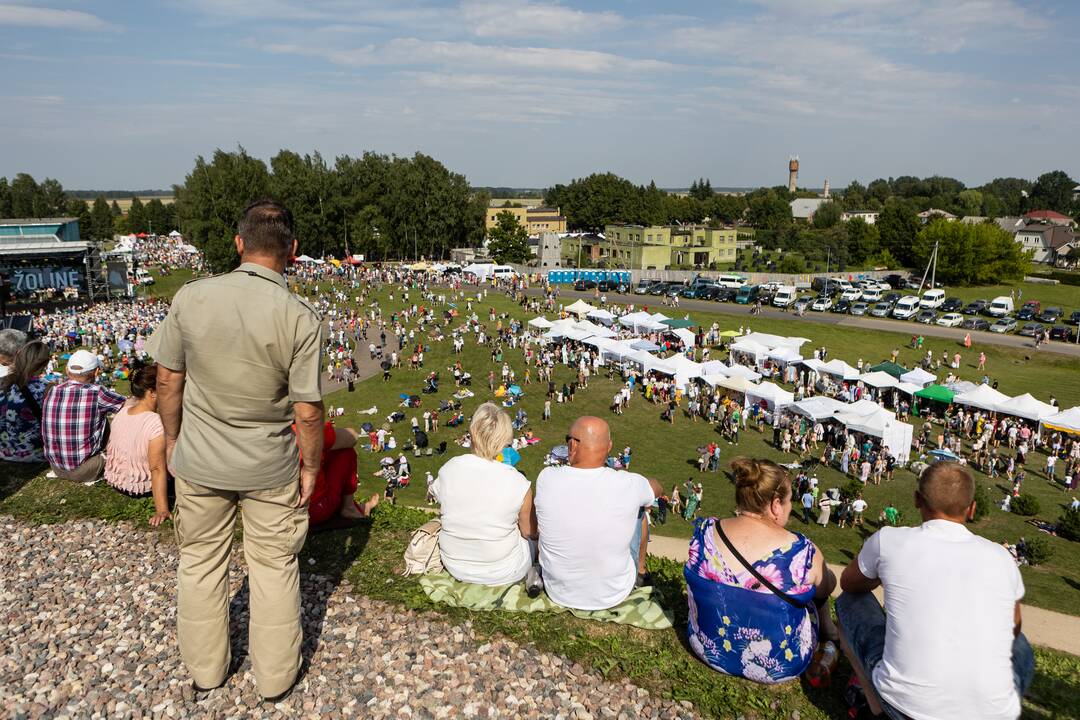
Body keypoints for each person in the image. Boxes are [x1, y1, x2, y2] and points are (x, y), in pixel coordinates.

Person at [147, 200, 324, 701]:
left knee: (200, 561)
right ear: (292, 250)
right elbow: (307, 411)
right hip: (268, 463)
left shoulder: (193, 297)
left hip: (202, 456)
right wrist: (311, 466)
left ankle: (207, 671)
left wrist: (177, 439)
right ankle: (274, 680)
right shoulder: (299, 316)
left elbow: (167, 377)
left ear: (239, 243)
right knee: (272, 567)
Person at [836, 462, 1033, 719]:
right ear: (972, 508)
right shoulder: (1000, 556)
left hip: (905, 707)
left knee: (850, 601)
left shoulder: (890, 540)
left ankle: (876, 708)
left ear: (917, 500)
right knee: (1021, 645)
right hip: (993, 714)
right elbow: (1013, 627)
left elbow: (849, 584)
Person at [684, 457, 839, 684]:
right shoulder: (801, 552)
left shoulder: (705, 531)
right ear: (776, 504)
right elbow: (827, 587)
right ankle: (830, 633)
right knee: (814, 595)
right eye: (788, 502)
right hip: (781, 665)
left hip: (705, 646)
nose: (789, 507)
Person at [534, 416, 662, 611]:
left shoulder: (547, 478)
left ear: (572, 445)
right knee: (640, 511)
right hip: (613, 593)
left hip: (558, 590)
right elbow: (657, 488)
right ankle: (641, 572)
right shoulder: (629, 484)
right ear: (609, 446)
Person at [432, 402, 537, 586]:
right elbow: (529, 531)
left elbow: (436, 494)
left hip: (454, 563)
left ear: (472, 433)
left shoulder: (450, 468)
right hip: (503, 569)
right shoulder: (517, 481)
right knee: (534, 543)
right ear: (505, 440)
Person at [41, 349, 126, 484]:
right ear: (97, 372)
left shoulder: (52, 391)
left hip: (56, 467)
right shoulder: (97, 393)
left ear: (68, 371)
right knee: (108, 418)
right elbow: (125, 405)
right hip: (86, 470)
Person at [103, 365, 171, 526]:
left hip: (118, 482)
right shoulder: (156, 423)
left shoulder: (123, 412)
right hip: (141, 486)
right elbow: (156, 469)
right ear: (152, 392)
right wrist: (162, 509)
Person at [299, 421, 379, 528]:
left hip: (276, 513)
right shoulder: (305, 431)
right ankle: (349, 507)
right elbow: (352, 436)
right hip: (312, 511)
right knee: (345, 451)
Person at [0, 340, 50, 463]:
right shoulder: (45, 388)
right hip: (34, 453)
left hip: (4, 450)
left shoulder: (3, 383)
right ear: (45, 363)